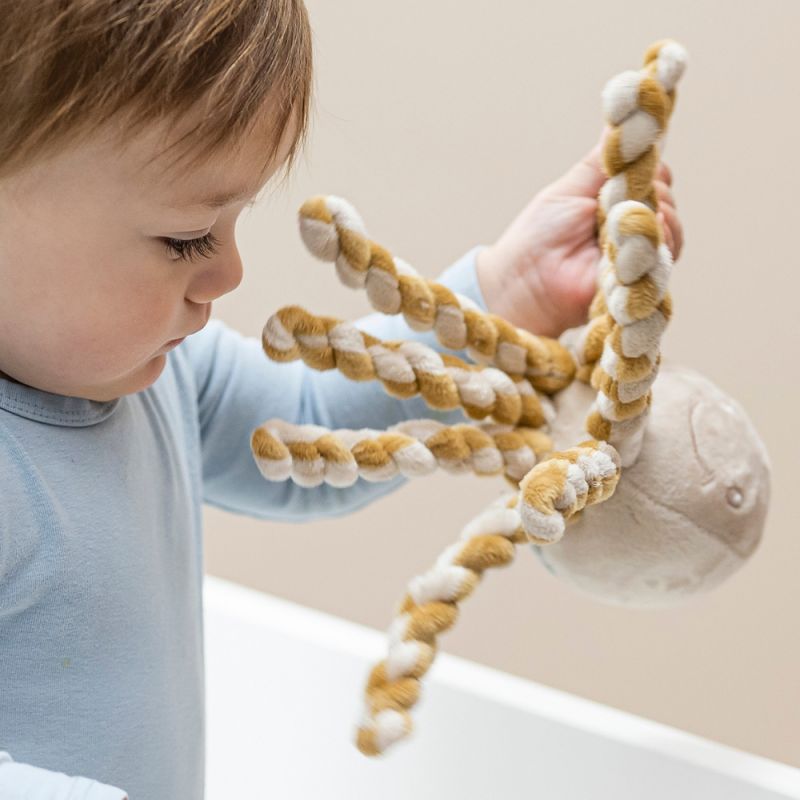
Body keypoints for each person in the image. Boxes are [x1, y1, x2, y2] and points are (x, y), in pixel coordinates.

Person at [0, 1, 682, 797]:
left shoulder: (158, 373)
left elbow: (311, 429)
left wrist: (508, 292)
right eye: (185, 238)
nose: (229, 274)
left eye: (235, 219)